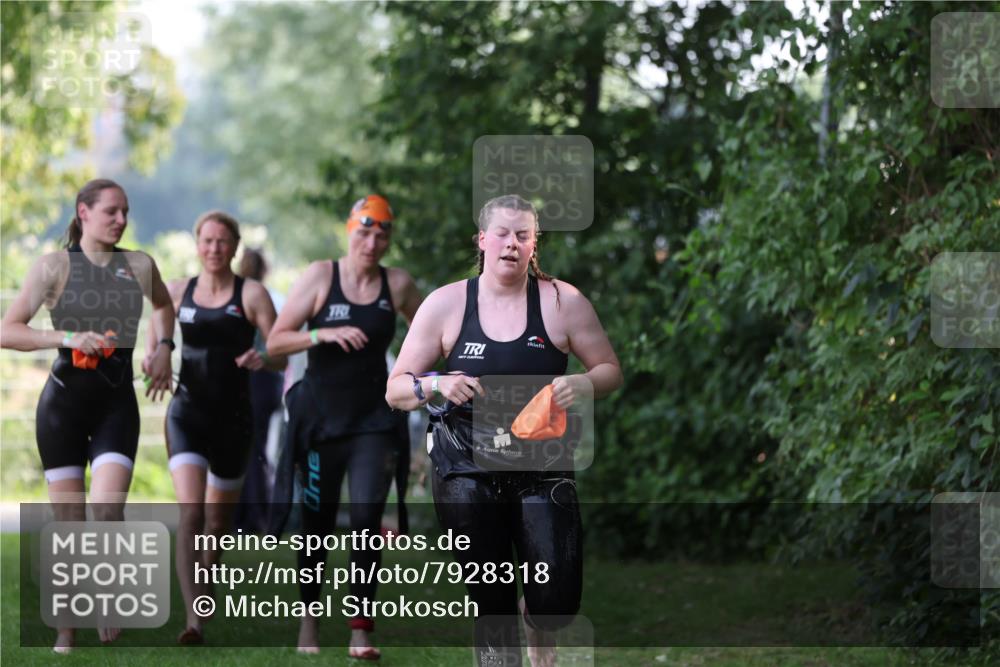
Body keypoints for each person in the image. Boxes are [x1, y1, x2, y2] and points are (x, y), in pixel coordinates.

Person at [385, 194, 623, 667]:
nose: (511, 244)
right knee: (489, 594)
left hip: (542, 463)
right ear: (482, 240)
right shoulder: (447, 304)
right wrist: (436, 382)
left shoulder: (562, 301)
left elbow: (610, 370)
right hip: (466, 466)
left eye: (523, 235)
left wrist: (582, 381)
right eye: (502, 233)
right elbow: (395, 389)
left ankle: (537, 622)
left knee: (556, 601)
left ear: (535, 244)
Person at [0, 178, 175, 653]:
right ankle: (66, 629)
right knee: (71, 519)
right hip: (63, 407)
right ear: (84, 212)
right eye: (111, 212)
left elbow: (164, 305)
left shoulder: (138, 265)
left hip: (117, 404)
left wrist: (164, 349)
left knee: (107, 508)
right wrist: (65, 338)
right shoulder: (54, 266)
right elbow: (8, 329)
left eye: (125, 212)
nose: (121, 220)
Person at [266, 194, 422, 659]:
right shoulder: (320, 276)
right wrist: (320, 333)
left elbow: (434, 332)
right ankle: (309, 620)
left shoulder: (397, 284)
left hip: (374, 422)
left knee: (367, 521)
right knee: (316, 522)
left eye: (382, 233)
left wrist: (427, 379)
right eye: (364, 231)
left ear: (389, 238)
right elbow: (275, 344)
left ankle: (359, 629)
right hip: (319, 422)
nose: (372, 242)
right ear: (349, 229)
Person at [156, 212, 286, 645]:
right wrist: (156, 354)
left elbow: (280, 353)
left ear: (234, 247)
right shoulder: (177, 291)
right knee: (191, 511)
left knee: (216, 521)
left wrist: (262, 358)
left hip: (234, 419)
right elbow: (160, 332)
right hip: (186, 414)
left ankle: (208, 571)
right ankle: (194, 618)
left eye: (222, 242)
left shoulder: (251, 294)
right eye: (207, 241)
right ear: (198, 244)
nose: (214, 249)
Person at [233, 248, 284, 533]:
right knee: (258, 448)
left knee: (247, 449)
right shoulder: (272, 297)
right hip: (267, 380)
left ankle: (249, 518)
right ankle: (254, 515)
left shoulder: (241, 297)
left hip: (250, 378)